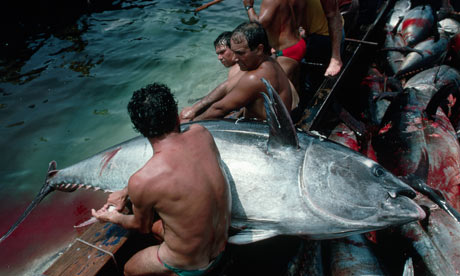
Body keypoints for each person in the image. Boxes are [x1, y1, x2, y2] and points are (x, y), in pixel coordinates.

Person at [92, 83, 231, 276]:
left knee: (129, 269)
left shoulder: (142, 181)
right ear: (176, 116)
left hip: (191, 266)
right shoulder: (202, 133)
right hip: (221, 248)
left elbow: (141, 227)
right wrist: (126, 191)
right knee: (158, 229)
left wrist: (113, 217)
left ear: (141, 130)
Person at [181, 22, 293, 122]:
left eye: (241, 53)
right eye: (234, 52)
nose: (236, 58)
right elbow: (228, 85)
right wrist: (195, 108)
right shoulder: (269, 62)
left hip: (265, 135)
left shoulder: (255, 77)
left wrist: (190, 124)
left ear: (259, 49)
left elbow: (219, 109)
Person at [243, 0, 343, 78]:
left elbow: (259, 25)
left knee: (282, 86)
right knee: (297, 84)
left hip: (320, 38)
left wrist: (249, 6)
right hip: (300, 42)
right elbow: (295, 19)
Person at [180, 31, 245, 122]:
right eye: (218, 54)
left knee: (185, 118)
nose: (219, 57)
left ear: (234, 48)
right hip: (233, 106)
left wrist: (195, 112)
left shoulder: (239, 68)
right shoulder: (237, 67)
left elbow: (226, 90)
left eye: (222, 52)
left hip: (236, 110)